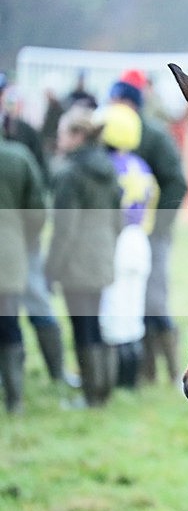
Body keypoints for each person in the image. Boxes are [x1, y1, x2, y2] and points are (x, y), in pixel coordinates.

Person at [108, 69, 187, 385]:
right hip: (121, 232)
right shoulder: (111, 131)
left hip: (151, 231)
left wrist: (156, 225)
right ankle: (144, 370)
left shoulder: (154, 135)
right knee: (129, 302)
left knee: (154, 300)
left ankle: (173, 371)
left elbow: (176, 182)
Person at [0, 72, 73, 389]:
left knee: (37, 300)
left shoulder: (22, 130)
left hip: (20, 237)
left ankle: (57, 373)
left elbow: (39, 181)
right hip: (17, 235)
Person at [46, 105, 121, 407]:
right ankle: (102, 389)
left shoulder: (70, 173)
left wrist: (51, 269)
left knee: (82, 327)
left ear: (78, 135)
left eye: (62, 132)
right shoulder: (108, 168)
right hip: (102, 257)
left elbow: (64, 228)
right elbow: (118, 219)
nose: (59, 138)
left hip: (76, 261)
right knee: (96, 323)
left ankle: (92, 396)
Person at [98, 103, 158, 389]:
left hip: (118, 240)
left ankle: (115, 380)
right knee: (133, 311)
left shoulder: (107, 166)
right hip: (140, 241)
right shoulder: (142, 166)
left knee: (112, 310)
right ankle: (132, 379)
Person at [0, 135, 46, 413]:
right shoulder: (18, 156)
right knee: (8, 323)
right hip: (9, 251)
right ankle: (14, 400)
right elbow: (37, 210)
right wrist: (24, 240)